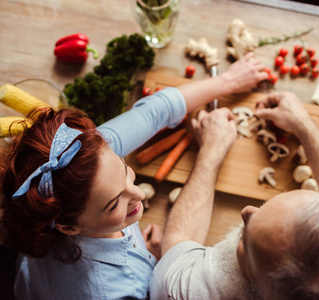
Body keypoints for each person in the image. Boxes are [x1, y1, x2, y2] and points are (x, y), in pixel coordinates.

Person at [0, 53, 268, 300]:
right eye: (114, 203)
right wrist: (152, 264)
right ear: (69, 228)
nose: (139, 193)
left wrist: (228, 81)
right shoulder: (121, 292)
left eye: (124, 169)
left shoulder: (77, 163)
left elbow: (154, 112)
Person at [149, 91, 319, 300]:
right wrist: (304, 126)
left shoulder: (181, 291)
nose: (248, 211)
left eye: (246, 238)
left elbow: (177, 240)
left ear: (258, 286)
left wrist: (211, 150)